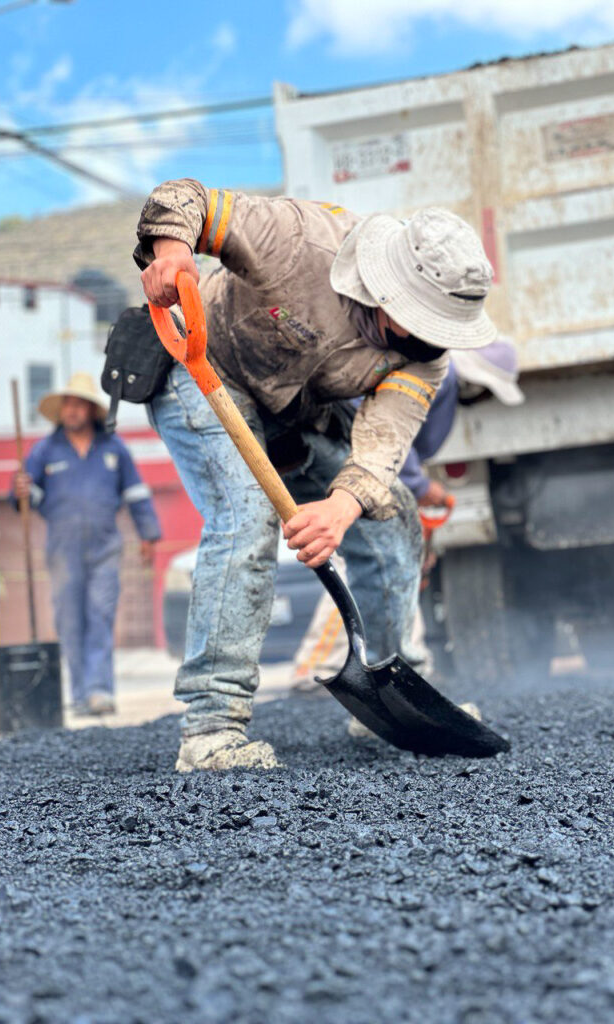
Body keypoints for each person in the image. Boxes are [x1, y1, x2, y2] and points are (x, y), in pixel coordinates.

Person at [136, 180, 517, 772]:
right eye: (422, 318)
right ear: (388, 288)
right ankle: (211, 728)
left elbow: (378, 452)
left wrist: (339, 511)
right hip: (199, 369)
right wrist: (172, 251)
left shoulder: (425, 356)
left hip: (293, 417)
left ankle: (388, 685)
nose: (430, 336)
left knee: (392, 512)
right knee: (246, 516)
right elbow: (188, 198)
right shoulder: (299, 239)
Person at [290, 344, 525, 693]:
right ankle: (316, 667)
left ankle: (403, 667)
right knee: (374, 563)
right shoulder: (442, 378)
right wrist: (418, 485)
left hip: (373, 472)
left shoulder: (437, 377)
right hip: (364, 471)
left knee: (397, 569)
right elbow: (393, 434)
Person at [11, 372, 161, 716]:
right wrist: (20, 490)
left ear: (92, 411)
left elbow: (136, 493)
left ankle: (99, 691)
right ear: (62, 410)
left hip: (105, 548)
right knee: (69, 621)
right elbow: (27, 497)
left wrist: (149, 535)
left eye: (79, 404)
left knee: (100, 615)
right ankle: (79, 694)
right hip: (63, 551)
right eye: (68, 404)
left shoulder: (114, 448)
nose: (73, 410)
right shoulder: (44, 451)